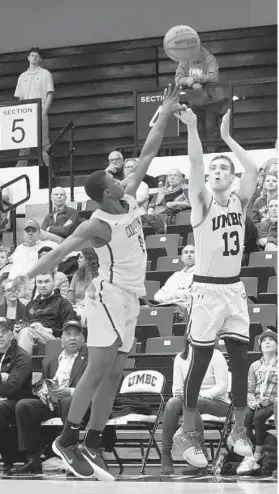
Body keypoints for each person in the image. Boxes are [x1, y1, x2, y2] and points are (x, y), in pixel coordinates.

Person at [13, 85, 182, 481]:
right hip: (106, 296)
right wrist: (24, 274)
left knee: (115, 372)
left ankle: (91, 442)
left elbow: (149, 151)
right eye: (113, 181)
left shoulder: (129, 198)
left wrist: (167, 108)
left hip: (131, 300)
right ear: (104, 195)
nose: (120, 179)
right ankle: (66, 440)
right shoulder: (97, 224)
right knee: (99, 365)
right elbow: (58, 254)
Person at [173, 105, 258, 468]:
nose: (217, 171)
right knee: (202, 359)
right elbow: (195, 166)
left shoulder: (240, 200)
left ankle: (240, 427)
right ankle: (188, 430)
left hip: (234, 289)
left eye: (224, 168)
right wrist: (193, 128)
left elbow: (253, 168)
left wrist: (226, 138)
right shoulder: (202, 202)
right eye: (214, 169)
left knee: (240, 359)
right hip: (206, 291)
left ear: (231, 176)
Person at [14, 320, 87, 474]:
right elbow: (41, 383)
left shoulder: (89, 360)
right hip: (52, 403)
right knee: (23, 406)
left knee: (68, 400)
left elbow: (91, 386)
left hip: (76, 403)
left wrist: (69, 391)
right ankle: (33, 458)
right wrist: (41, 391)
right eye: (68, 335)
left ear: (83, 339)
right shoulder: (53, 361)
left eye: (76, 335)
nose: (72, 338)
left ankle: (70, 454)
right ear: (61, 340)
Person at [162, 338, 230, 474]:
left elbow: (222, 388)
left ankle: (201, 456)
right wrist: (189, 396)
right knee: (172, 403)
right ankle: (166, 455)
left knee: (189, 402)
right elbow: (176, 389)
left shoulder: (216, 355)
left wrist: (197, 395)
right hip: (189, 402)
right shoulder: (180, 358)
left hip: (219, 403)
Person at [237, 329, 277, 475]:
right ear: (260, 346)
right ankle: (248, 455)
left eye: (271, 340)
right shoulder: (254, 366)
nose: (267, 342)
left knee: (258, 417)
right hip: (258, 402)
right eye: (264, 340)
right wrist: (252, 401)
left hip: (275, 402)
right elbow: (250, 390)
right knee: (246, 415)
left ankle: (258, 453)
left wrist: (271, 400)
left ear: (277, 346)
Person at [175, 43, 224, 146]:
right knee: (198, 128)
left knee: (210, 126)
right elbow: (178, 79)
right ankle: (201, 152)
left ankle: (212, 152)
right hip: (195, 100)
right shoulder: (184, 61)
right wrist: (192, 83)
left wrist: (194, 79)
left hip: (213, 99)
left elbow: (213, 76)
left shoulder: (210, 59)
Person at [0, 318, 32, 472]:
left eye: (3, 332)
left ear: (12, 334)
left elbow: (12, 388)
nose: (0, 335)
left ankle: (8, 459)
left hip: (17, 403)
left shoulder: (22, 356)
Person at [17, 272, 75, 354]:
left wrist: (46, 330)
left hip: (54, 338)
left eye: (47, 281)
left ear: (54, 283)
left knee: (27, 332)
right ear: (36, 284)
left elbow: (69, 330)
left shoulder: (62, 303)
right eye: (39, 282)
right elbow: (24, 323)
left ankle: (22, 365)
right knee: (8, 334)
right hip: (30, 334)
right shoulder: (31, 305)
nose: (43, 285)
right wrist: (19, 328)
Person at [14, 47, 54, 167]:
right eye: (32, 55)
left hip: (40, 110)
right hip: (26, 113)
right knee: (24, 145)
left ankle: (47, 172)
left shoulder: (45, 73)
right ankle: (20, 171)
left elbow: (50, 93)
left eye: (36, 56)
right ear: (28, 57)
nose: (34, 58)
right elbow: (20, 97)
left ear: (40, 59)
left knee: (43, 144)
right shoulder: (22, 76)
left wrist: (44, 111)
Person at [154, 244, 195, 320]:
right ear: (182, 258)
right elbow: (158, 296)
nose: (189, 254)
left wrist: (173, 295)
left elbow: (193, 296)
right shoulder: (176, 275)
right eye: (186, 252)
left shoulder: (200, 274)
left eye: (192, 252)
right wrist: (176, 295)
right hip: (168, 306)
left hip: (186, 309)